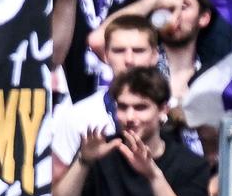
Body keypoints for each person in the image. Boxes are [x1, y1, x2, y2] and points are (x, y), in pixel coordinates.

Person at [51, 68, 206, 196]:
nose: (130, 116)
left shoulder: (189, 164)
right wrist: (83, 161)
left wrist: (153, 174)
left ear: (163, 110)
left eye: (141, 107)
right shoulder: (98, 153)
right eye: (123, 107)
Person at [48, 13, 161, 175]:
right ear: (106, 55)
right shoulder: (78, 116)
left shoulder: (171, 110)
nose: (129, 60)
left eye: (138, 51)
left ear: (154, 56)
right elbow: (56, 187)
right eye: (119, 51)